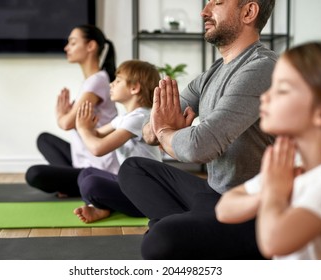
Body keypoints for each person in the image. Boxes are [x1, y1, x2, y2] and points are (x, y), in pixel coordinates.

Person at [118, 0, 277, 259]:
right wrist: (163, 131)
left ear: (248, 12)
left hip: (252, 211)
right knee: (133, 169)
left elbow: (199, 147)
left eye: (217, 3)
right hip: (213, 193)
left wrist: (167, 133)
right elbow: (149, 131)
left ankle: (184, 230)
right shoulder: (211, 74)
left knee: (158, 243)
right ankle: (193, 229)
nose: (204, 11)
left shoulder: (261, 69)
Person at [216, 42, 321, 260]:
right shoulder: (293, 162)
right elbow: (224, 209)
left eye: (282, 90)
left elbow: (273, 241)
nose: (265, 96)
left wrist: (274, 193)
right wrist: (265, 194)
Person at [25, 25, 119, 197]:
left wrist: (61, 114)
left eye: (73, 43)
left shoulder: (97, 81)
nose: (66, 48)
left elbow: (67, 123)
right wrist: (68, 114)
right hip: (82, 159)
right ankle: (72, 184)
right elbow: (73, 121)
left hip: (97, 168)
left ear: (91, 46)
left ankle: (75, 185)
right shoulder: (92, 81)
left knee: (34, 174)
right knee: (45, 139)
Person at [73, 60, 163, 223]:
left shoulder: (140, 117)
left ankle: (101, 206)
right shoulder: (124, 118)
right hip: (127, 183)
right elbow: (97, 135)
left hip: (145, 195)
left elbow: (98, 148)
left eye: (117, 81)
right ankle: (101, 207)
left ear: (134, 88)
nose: (111, 85)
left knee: (91, 184)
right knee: (86, 173)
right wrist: (87, 127)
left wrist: (83, 129)